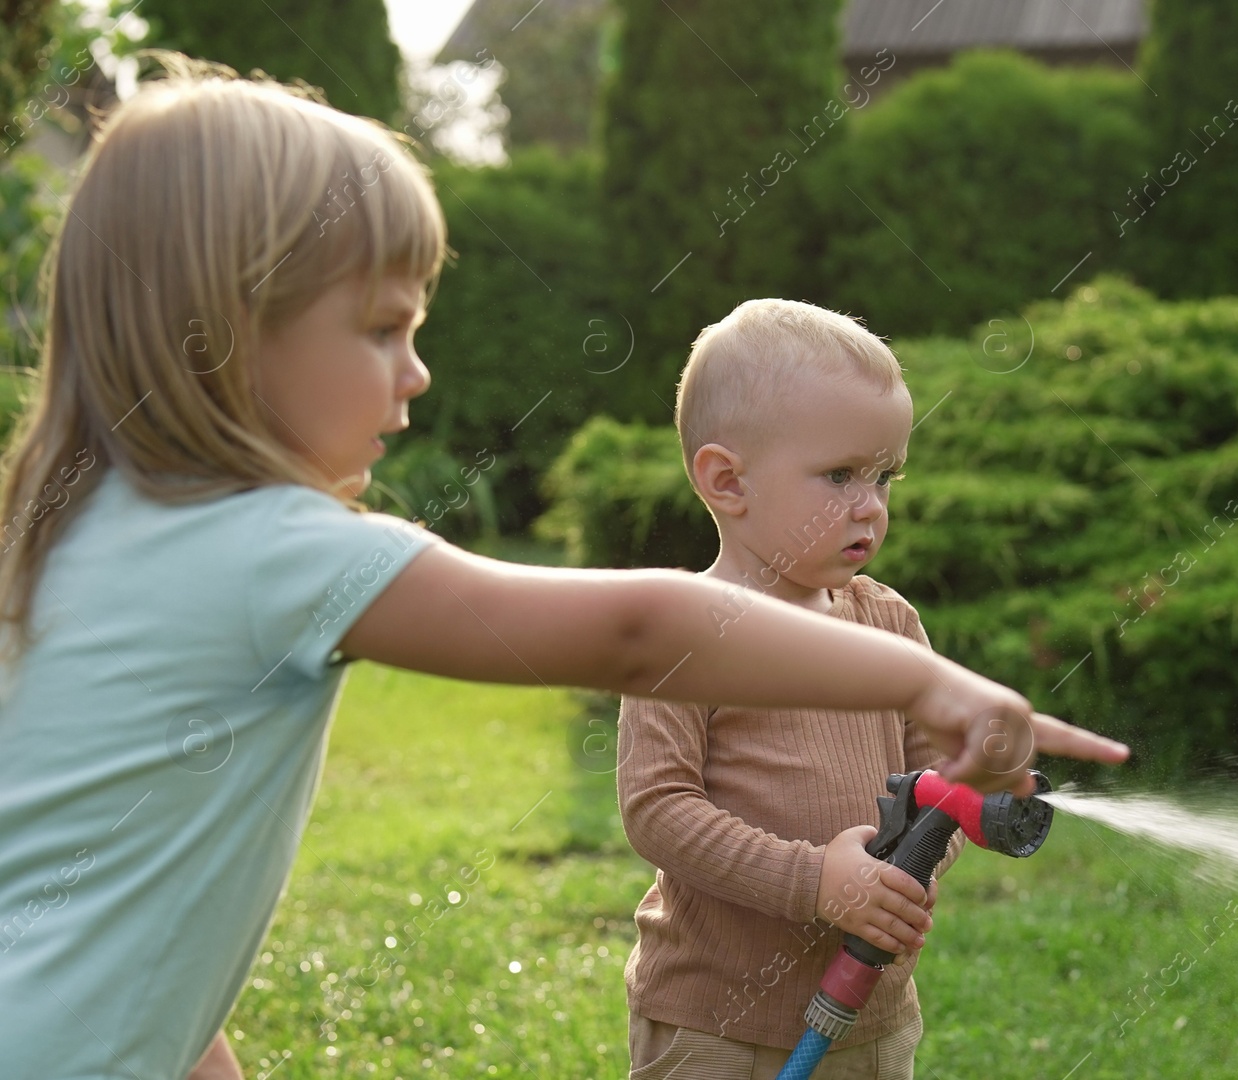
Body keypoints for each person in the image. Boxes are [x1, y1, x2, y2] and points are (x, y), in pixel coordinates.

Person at [0, 60, 1128, 1080]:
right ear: (232, 333)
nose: (419, 374)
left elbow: (113, 905)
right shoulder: (264, 548)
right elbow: (639, 629)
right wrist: (922, 683)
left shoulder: (74, 540)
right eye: (382, 329)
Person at [617, 299, 1121, 1080]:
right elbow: (657, 810)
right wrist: (816, 880)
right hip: (717, 1026)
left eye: (885, 476)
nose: (871, 505)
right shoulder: (685, 638)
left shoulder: (889, 623)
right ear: (727, 481)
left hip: (872, 1018)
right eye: (840, 475)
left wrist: (905, 872)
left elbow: (941, 788)